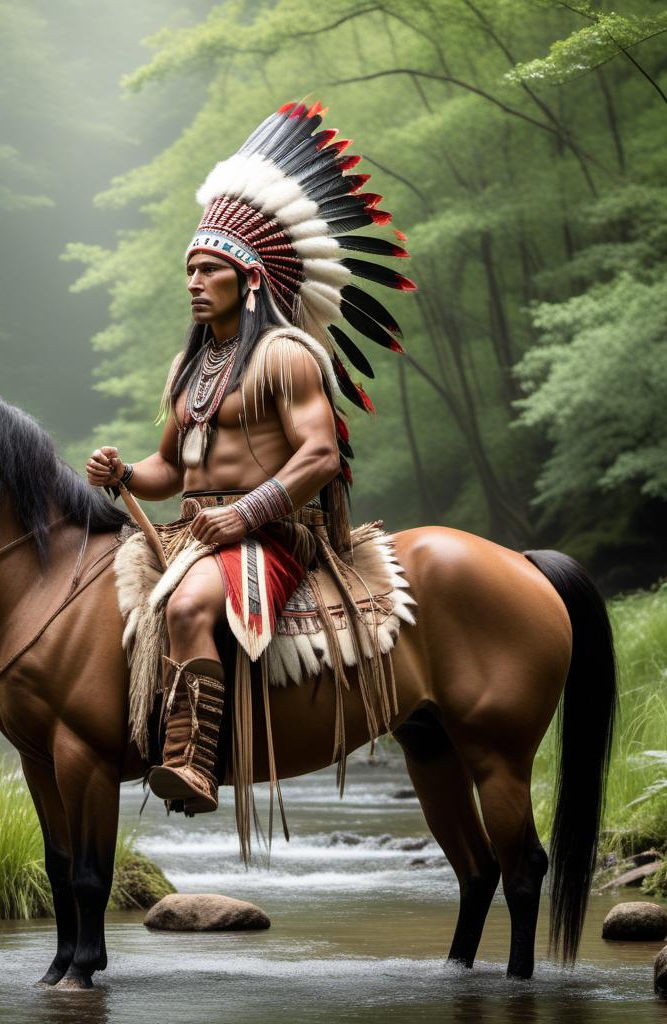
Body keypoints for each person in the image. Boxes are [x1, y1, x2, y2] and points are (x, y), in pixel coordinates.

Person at [86, 101, 416, 817]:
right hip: (194, 530)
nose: (194, 282)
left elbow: (321, 454)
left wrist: (244, 515)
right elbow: (171, 471)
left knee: (192, 602)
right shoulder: (188, 366)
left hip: (269, 535)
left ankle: (191, 763)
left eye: (210, 270)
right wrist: (123, 474)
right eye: (190, 270)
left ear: (250, 278)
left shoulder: (287, 354)